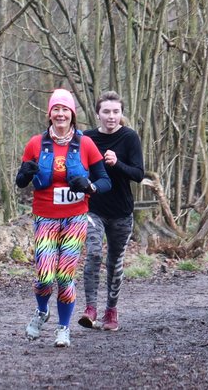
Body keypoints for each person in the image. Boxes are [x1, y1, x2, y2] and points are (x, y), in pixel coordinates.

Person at [14, 88, 111, 347]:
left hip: (75, 218)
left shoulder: (86, 144)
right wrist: (24, 173)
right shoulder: (35, 143)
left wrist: (90, 186)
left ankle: (63, 328)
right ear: (49, 114)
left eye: (64, 109)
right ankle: (42, 311)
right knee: (45, 276)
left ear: (72, 115)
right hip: (45, 217)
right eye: (56, 109)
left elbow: (105, 181)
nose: (60, 114)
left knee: (65, 277)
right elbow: (21, 181)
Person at [79, 91, 145, 331]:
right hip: (93, 208)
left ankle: (111, 311)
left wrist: (117, 163)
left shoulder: (129, 138)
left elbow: (138, 174)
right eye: (106, 111)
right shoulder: (86, 138)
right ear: (97, 114)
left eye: (116, 111)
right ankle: (90, 309)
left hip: (121, 211)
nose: (111, 116)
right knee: (94, 253)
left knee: (115, 261)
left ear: (121, 114)